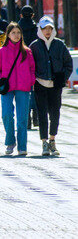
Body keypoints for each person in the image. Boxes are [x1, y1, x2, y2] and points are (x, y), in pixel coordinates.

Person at [30, 17, 73, 156]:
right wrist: (33, 79)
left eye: (50, 28)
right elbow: (30, 65)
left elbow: (68, 64)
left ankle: (52, 141)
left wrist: (63, 78)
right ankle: (44, 142)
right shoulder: (34, 46)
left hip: (56, 85)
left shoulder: (60, 45)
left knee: (55, 114)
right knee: (42, 114)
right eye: (44, 28)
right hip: (40, 84)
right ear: (40, 30)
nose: (47, 31)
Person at [0, 22, 36, 156]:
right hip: (7, 88)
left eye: (18, 33)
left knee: (22, 118)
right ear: (8, 35)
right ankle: (10, 141)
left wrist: (31, 80)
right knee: (6, 115)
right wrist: (0, 80)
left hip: (23, 87)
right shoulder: (1, 52)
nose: (16, 35)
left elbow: (32, 69)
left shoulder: (27, 52)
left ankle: (22, 146)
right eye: (13, 33)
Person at [18, 5, 39, 129]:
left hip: (20, 60)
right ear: (32, 15)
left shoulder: (16, 28)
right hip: (34, 59)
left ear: (21, 15)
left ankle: (26, 118)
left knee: (23, 90)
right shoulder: (36, 28)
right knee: (34, 88)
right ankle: (36, 113)